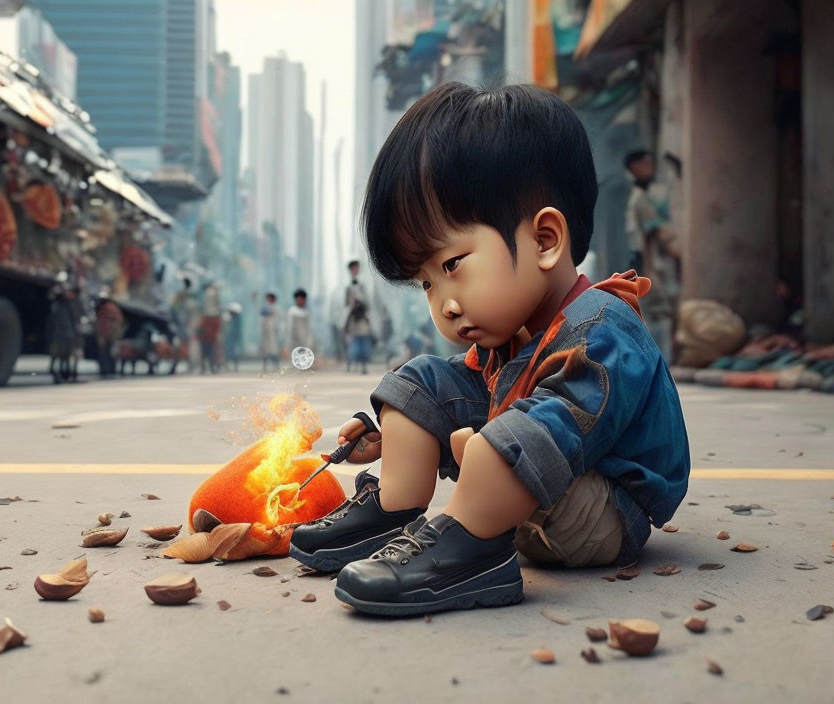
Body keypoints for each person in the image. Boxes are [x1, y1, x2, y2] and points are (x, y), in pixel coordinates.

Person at [289, 82, 690, 616]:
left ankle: (470, 548)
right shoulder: (514, 333)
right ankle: (395, 506)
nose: (445, 304)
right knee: (423, 381)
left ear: (545, 241)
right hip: (544, 484)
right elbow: (463, 394)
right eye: (428, 284)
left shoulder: (604, 330)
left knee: (519, 433)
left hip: (601, 510)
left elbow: (559, 425)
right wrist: (402, 435)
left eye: (452, 265)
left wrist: (487, 448)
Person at [624, 150, 682, 363]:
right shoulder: (641, 200)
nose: (650, 165)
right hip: (652, 266)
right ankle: (662, 362)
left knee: (657, 312)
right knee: (659, 312)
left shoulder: (643, 196)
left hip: (649, 266)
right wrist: (680, 254)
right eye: (645, 163)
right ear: (635, 167)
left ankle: (660, 360)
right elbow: (657, 234)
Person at [344, 259, 373, 373]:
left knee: (364, 342)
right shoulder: (348, 287)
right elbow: (346, 304)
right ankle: (352, 364)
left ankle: (364, 366)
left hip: (362, 318)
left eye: (357, 268)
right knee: (353, 343)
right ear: (350, 270)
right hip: (353, 318)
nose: (356, 270)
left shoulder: (363, 286)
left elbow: (368, 303)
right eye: (354, 268)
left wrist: (360, 299)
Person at [258, 292, 281, 371]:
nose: (269, 300)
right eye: (268, 298)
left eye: (271, 298)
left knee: (274, 350)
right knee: (265, 350)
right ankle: (265, 366)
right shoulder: (265, 308)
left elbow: (278, 320)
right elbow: (262, 318)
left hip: (273, 332)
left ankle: (276, 365)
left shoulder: (276, 308)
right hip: (266, 332)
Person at [286, 288, 313, 355]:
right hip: (294, 341)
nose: (301, 301)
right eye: (299, 298)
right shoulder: (292, 311)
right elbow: (290, 328)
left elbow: (308, 328)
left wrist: (309, 341)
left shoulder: (306, 312)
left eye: (303, 299)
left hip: (305, 341)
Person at [223, 302, 243, 371]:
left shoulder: (236, 319)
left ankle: (234, 367)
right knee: (230, 353)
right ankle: (230, 366)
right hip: (231, 338)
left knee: (234, 353)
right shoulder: (232, 318)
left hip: (234, 338)